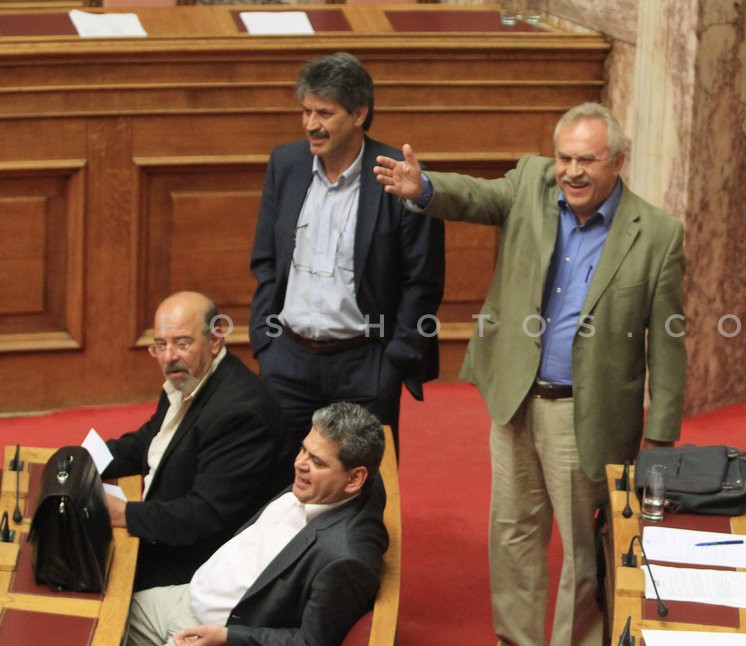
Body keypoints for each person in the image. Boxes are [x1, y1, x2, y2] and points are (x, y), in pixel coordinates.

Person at [375, 102, 686, 646]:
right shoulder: (531, 183)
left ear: (618, 161)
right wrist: (424, 187)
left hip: (585, 413)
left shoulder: (657, 234)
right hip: (516, 398)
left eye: (586, 160)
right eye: (564, 157)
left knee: (584, 552)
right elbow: (477, 195)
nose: (572, 171)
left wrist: (659, 432)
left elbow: (668, 339)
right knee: (514, 538)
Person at [249, 52, 445, 469]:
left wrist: (393, 363)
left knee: (362, 491)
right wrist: (266, 344)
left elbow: (422, 280)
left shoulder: (399, 175)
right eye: (305, 111)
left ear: (359, 113)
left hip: (366, 364)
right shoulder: (285, 164)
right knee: (279, 485)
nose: (310, 125)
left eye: (324, 112)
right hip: (287, 361)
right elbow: (266, 260)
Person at [125, 401, 388, 646]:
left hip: (213, 631)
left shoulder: (345, 557)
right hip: (187, 595)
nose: (299, 464)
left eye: (317, 462)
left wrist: (228, 637)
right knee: (103, 617)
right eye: (303, 449)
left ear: (354, 480)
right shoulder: (333, 486)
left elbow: (310, 642)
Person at [102, 291, 286, 592]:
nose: (169, 356)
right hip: (166, 531)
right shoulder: (186, 376)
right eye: (160, 345)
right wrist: (90, 458)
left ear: (215, 341)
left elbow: (203, 515)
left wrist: (124, 514)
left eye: (182, 343)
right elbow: (152, 438)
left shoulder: (240, 415)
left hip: (200, 566)